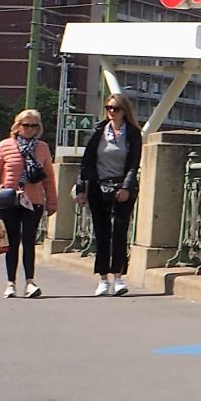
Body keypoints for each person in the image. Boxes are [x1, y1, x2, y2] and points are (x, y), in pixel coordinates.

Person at [0, 110, 58, 298]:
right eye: (26, 125)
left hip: (33, 201)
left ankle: (30, 282)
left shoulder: (42, 148)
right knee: (12, 243)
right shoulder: (4, 146)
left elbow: (49, 177)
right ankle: (11, 283)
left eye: (34, 126)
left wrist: (52, 201)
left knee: (29, 242)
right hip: (8, 199)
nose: (29, 129)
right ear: (17, 126)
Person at [79, 94, 142, 294]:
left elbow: (134, 163)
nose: (111, 112)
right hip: (99, 187)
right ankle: (103, 279)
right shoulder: (98, 131)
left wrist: (126, 187)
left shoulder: (132, 133)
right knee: (102, 232)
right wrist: (81, 188)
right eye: (108, 108)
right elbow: (86, 162)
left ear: (125, 110)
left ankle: (119, 277)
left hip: (122, 187)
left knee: (120, 232)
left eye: (115, 108)